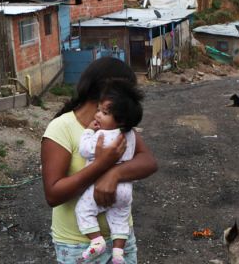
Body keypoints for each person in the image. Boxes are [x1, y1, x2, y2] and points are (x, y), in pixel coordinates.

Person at [42, 57, 158, 264]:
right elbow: (53, 194)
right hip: (77, 244)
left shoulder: (118, 125)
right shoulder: (61, 128)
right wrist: (101, 165)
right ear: (107, 93)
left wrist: (114, 173)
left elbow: (149, 161)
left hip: (120, 240)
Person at [75, 80, 143, 263]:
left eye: (104, 113)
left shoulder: (103, 135)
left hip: (102, 186)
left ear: (120, 120)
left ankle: (96, 242)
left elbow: (85, 150)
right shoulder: (130, 135)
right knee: (120, 218)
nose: (97, 115)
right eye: (98, 109)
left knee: (83, 210)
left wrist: (88, 131)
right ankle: (119, 253)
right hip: (124, 190)